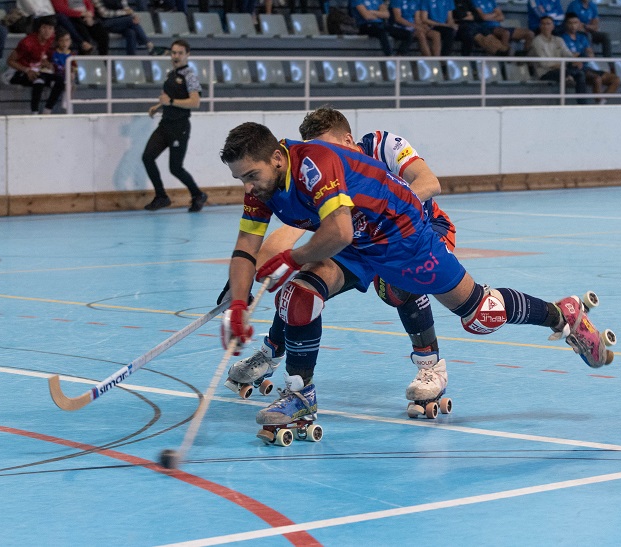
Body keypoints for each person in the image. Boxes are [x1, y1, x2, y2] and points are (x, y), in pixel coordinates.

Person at [219, 121, 613, 427]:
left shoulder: (314, 164)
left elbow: (334, 231)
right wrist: (237, 305)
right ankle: (301, 393)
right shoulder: (264, 186)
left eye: (250, 175)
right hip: (357, 244)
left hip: (401, 237)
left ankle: (563, 315)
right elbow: (245, 249)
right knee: (298, 295)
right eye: (241, 179)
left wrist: (295, 255)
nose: (247, 186)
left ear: (275, 157)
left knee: (482, 313)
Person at [223, 107, 456, 410]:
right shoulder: (316, 176)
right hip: (359, 240)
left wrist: (382, 208)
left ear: (348, 140)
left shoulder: (382, 145)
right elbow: (282, 240)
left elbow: (429, 182)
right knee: (302, 285)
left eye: (328, 148)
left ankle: (430, 367)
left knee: (397, 280)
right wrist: (241, 288)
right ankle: (272, 353)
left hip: (418, 230)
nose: (324, 157)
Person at [142, 40, 208, 213]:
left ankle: (198, 194)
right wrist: (159, 106)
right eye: (173, 53)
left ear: (187, 55)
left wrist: (170, 101)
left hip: (180, 126)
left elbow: (195, 102)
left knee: (175, 168)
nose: (176, 56)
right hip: (165, 124)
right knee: (147, 157)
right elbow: (169, 98)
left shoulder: (190, 76)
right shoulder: (171, 74)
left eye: (180, 53)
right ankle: (161, 196)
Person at [5, 15, 66, 114]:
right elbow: (10, 61)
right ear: (39, 28)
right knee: (39, 79)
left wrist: (47, 63)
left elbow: (43, 54)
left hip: (36, 69)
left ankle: (47, 110)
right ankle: (34, 113)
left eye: (50, 28)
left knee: (60, 80)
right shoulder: (27, 43)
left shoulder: (51, 39)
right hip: (17, 72)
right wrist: (27, 70)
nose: (47, 31)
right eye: (44, 27)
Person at [562, 12, 619, 104]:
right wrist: (581, 55)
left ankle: (601, 103)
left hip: (586, 67)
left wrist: (580, 55)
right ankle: (598, 104)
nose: (573, 26)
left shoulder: (582, 37)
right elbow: (568, 56)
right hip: (575, 69)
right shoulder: (562, 38)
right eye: (570, 23)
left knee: (615, 79)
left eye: (575, 23)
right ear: (566, 24)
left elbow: (591, 54)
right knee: (597, 79)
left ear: (579, 23)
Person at [531, 16, 588, 104]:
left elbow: (567, 54)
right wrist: (561, 64)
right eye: (543, 24)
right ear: (540, 26)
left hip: (562, 68)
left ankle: (583, 104)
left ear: (553, 26)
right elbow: (544, 63)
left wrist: (575, 60)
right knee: (566, 72)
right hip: (545, 72)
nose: (546, 26)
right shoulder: (537, 41)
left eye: (548, 24)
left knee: (580, 73)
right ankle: (568, 78)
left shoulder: (559, 40)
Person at [91, 0, 157, 56]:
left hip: (121, 22)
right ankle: (148, 44)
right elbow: (104, 13)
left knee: (131, 32)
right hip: (104, 23)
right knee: (130, 20)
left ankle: (131, 59)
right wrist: (124, 13)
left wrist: (134, 15)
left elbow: (127, 8)